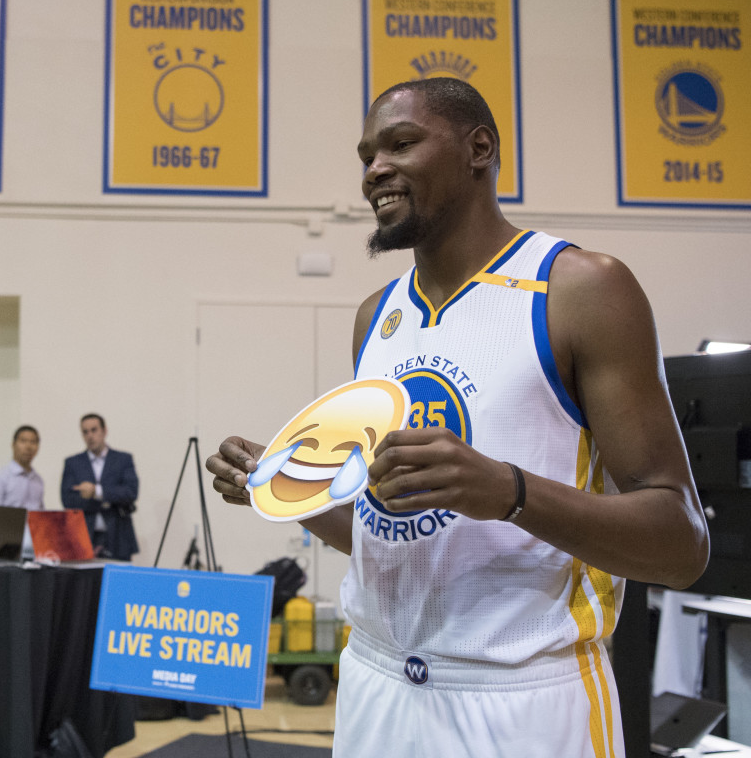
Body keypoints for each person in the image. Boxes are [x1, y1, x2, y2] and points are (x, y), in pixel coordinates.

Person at [207, 78, 709, 758]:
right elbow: (391, 536)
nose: (374, 169)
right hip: (375, 684)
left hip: (521, 701)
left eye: (401, 143)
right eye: (366, 156)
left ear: (479, 148)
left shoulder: (580, 289)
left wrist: (509, 492)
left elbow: (680, 545)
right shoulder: (374, 317)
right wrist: (284, 489)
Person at [61, 414, 139, 560]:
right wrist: (109, 499)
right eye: (85, 432)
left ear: (104, 431)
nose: (90, 436)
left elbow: (130, 492)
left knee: (118, 580)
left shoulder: (123, 459)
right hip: (85, 535)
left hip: (118, 535)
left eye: (94, 430)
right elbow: (68, 499)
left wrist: (97, 492)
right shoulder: (73, 463)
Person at [0, 425, 44, 550]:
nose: (28, 447)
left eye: (33, 442)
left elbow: (40, 516)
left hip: (34, 549)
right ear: (13, 444)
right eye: (23, 441)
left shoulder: (38, 481)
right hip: (5, 547)